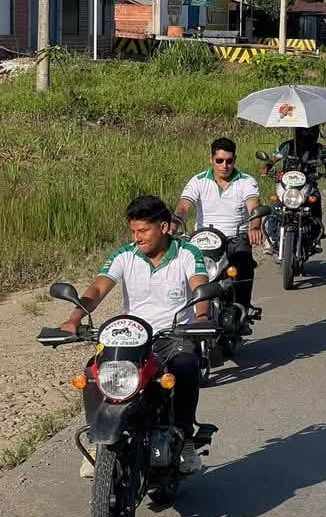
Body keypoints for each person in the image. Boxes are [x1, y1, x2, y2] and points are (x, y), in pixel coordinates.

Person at [63, 196, 209, 477]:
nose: (137, 238)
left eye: (143, 231)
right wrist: (74, 318)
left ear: (164, 227)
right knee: (93, 373)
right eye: (133, 232)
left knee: (186, 366)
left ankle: (186, 439)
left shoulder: (188, 253)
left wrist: (201, 318)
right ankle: (97, 441)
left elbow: (200, 286)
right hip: (131, 337)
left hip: (174, 334)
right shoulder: (125, 255)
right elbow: (98, 288)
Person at [173, 137, 263, 311]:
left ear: (234, 160)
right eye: (219, 160)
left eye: (229, 161)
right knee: (181, 269)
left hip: (234, 239)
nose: (224, 165)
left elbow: (254, 206)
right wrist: (175, 221)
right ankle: (184, 312)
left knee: (244, 262)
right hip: (203, 240)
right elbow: (184, 205)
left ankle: (243, 308)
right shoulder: (198, 180)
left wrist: (255, 226)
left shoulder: (246, 181)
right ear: (211, 160)